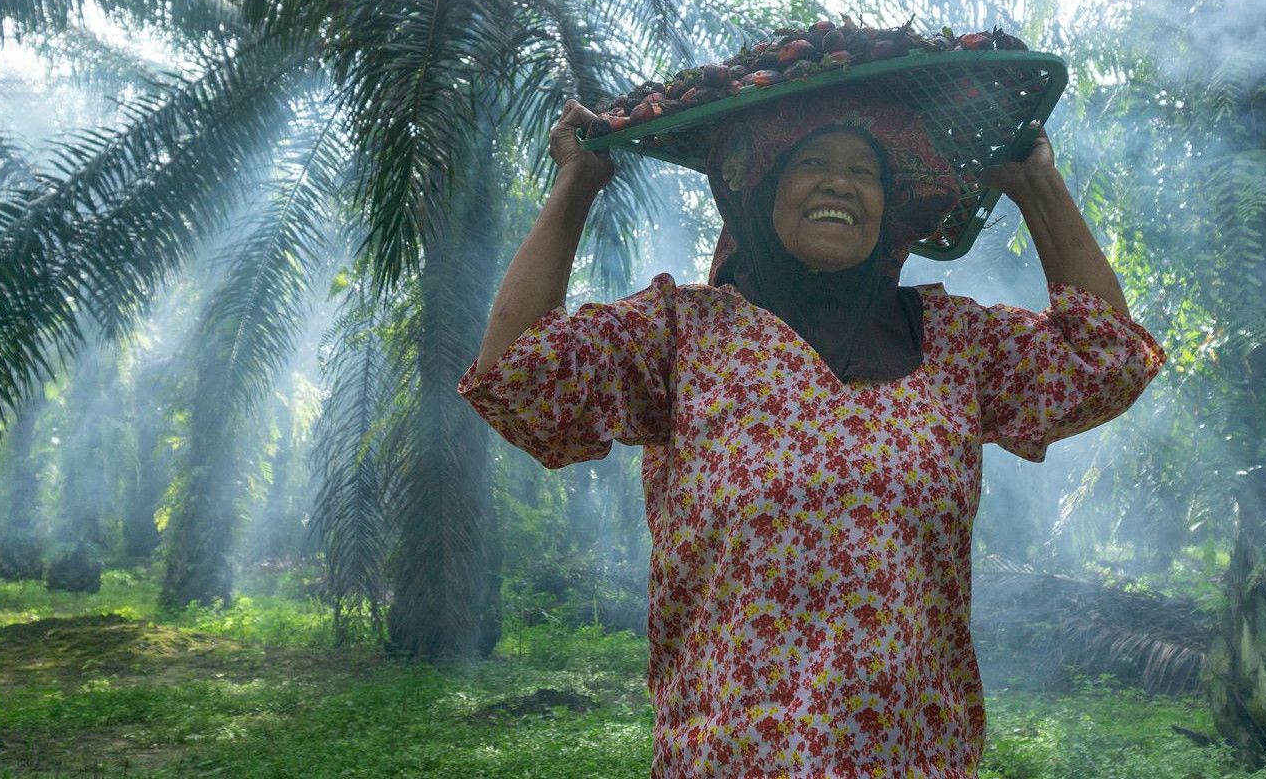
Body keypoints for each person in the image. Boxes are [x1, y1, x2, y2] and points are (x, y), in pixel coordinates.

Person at [460, 85, 1164, 778]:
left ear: (890, 211)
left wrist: (1035, 185)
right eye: (810, 162)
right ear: (758, 193)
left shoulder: (960, 344)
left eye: (865, 171)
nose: (840, 182)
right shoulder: (684, 334)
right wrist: (578, 183)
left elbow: (1106, 362)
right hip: (730, 761)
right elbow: (517, 380)